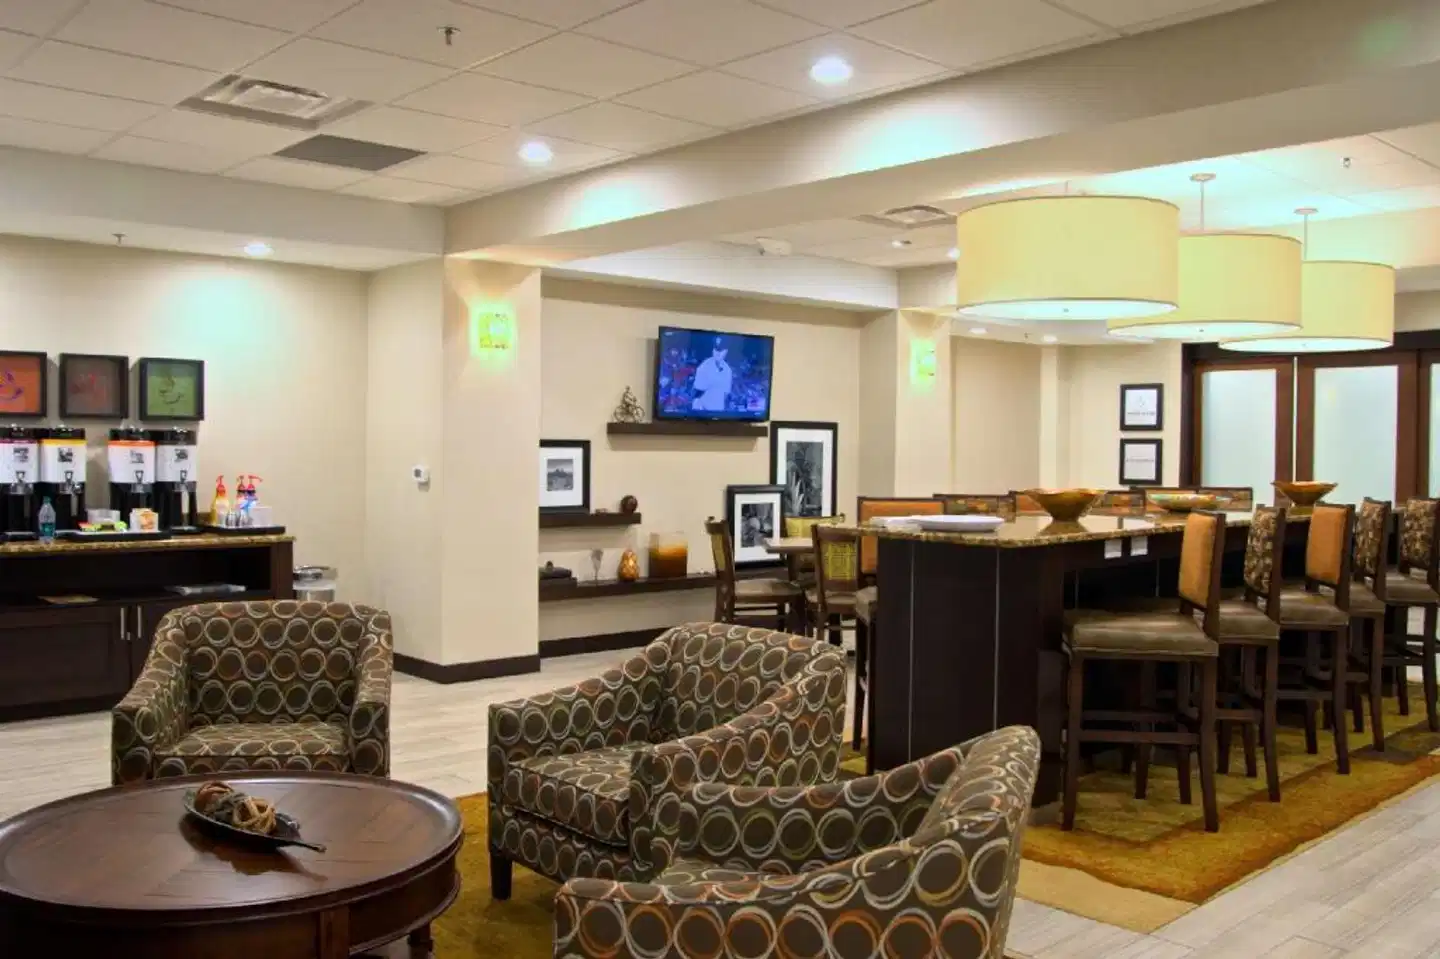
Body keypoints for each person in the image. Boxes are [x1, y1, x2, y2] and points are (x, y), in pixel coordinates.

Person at [691, 339, 733, 412]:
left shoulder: (728, 370)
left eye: (721, 350)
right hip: (703, 412)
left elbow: (726, 393)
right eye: (716, 349)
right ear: (712, 350)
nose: (718, 353)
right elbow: (697, 394)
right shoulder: (704, 367)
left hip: (718, 413)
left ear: (726, 351)